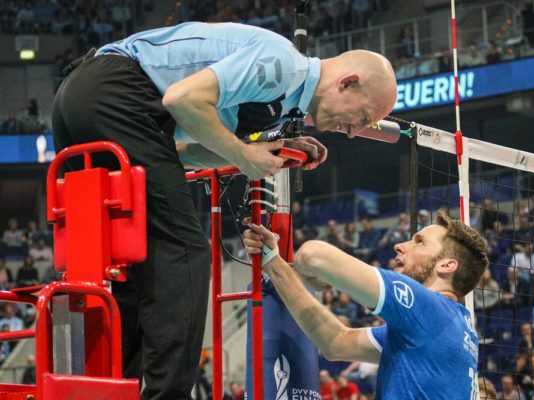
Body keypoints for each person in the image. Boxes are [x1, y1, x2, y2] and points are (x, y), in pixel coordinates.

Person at [51, 21, 397, 400]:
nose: (352, 132)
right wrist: (242, 154)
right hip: (115, 93)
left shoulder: (280, 105)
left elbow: (182, 153)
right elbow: (181, 100)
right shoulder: (284, 64)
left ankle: (115, 390)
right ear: (347, 83)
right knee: (184, 250)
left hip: (84, 101)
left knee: (134, 267)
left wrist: (268, 152)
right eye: (362, 118)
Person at [243, 210, 488, 398]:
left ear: (446, 265)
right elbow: (335, 342)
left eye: (419, 241)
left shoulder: (429, 308)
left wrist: (315, 274)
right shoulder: (452, 326)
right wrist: (273, 262)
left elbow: (312, 254)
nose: (400, 245)